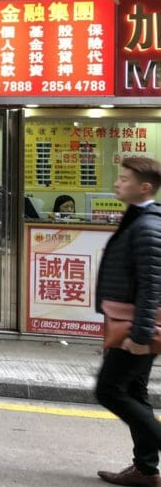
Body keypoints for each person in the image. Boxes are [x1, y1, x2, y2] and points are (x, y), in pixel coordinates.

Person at [94, 156, 161, 487]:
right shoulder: (137, 220)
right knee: (134, 392)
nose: (118, 183)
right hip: (132, 324)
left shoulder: (148, 226)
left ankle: (148, 462)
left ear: (144, 187)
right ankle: (146, 470)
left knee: (108, 389)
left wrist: (140, 335)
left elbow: (153, 285)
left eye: (124, 179)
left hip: (135, 328)